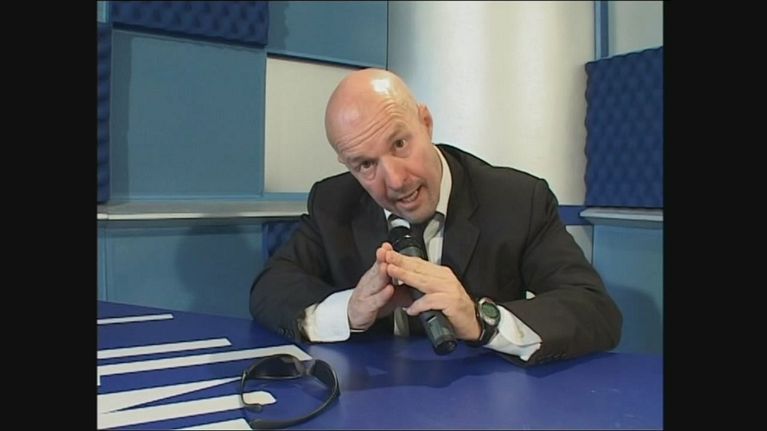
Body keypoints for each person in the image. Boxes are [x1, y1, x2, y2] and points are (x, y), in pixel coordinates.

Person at [250, 68, 621, 366]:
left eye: (400, 144)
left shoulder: (517, 200)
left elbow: (595, 311)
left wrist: (481, 320)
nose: (396, 180)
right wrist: (348, 309)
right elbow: (271, 287)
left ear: (425, 123)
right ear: (347, 165)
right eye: (365, 164)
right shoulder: (333, 202)